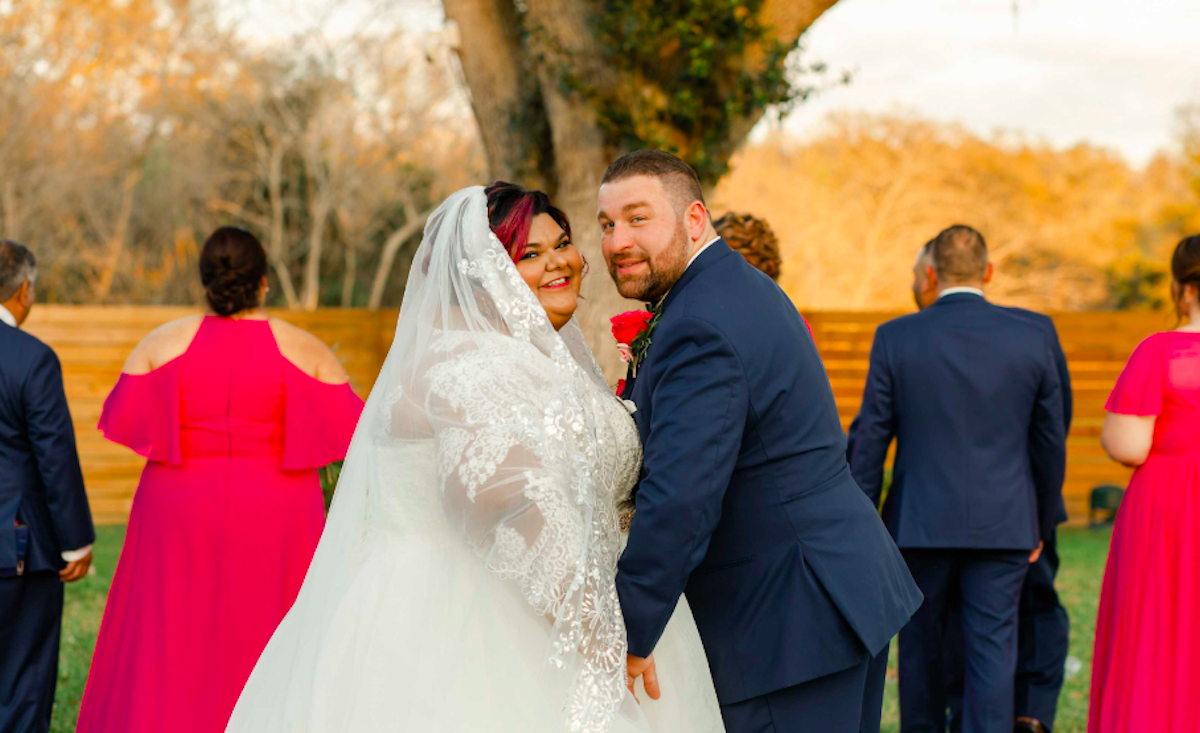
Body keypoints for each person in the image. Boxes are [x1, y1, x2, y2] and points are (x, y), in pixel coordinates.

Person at [225, 183, 724, 733]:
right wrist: (601, 638)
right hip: (480, 628)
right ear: (484, 279)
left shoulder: (528, 358)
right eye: (528, 256)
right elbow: (500, 498)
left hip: (575, 608)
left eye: (561, 243)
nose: (559, 263)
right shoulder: (473, 364)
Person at [604, 150, 922, 733]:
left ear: (694, 219)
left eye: (637, 218)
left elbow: (682, 494)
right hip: (832, 594)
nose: (618, 240)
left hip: (787, 624)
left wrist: (629, 629)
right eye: (606, 224)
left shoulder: (697, 323)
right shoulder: (729, 288)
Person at [75, 227, 364, 733]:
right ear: (265, 282)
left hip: (178, 499)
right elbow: (355, 432)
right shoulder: (306, 348)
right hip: (276, 501)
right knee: (271, 621)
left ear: (206, 280)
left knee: (170, 626)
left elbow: (123, 415)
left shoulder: (160, 344)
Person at [849, 225, 1067, 733]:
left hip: (918, 525)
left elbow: (871, 443)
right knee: (993, 653)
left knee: (921, 651)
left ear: (931, 273)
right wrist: (1039, 519)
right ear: (988, 272)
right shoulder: (1035, 333)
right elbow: (1050, 440)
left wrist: (863, 522)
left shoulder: (896, 336)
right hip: (1007, 524)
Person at [1089, 235, 1200, 732]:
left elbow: (1129, 445)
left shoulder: (1160, 352)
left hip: (1168, 508)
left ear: (1180, 287)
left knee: (1156, 628)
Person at [0, 240, 95, 733]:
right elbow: (54, 456)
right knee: (21, 683)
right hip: (16, 551)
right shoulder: (31, 359)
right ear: (24, 291)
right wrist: (75, 540)